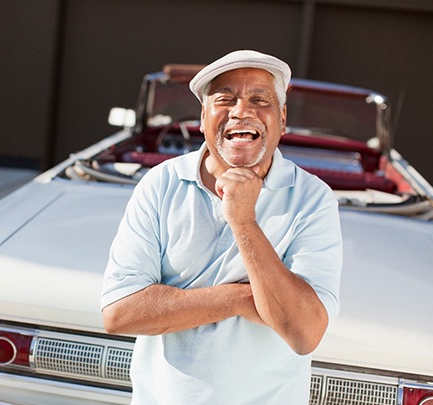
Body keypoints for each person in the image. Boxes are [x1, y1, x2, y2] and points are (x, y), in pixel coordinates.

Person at [100, 50, 343, 404]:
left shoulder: (313, 199)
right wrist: (244, 296)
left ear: (282, 118)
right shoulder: (161, 183)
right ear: (203, 116)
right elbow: (120, 312)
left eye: (260, 99)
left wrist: (244, 221)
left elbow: (304, 332)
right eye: (225, 99)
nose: (242, 111)